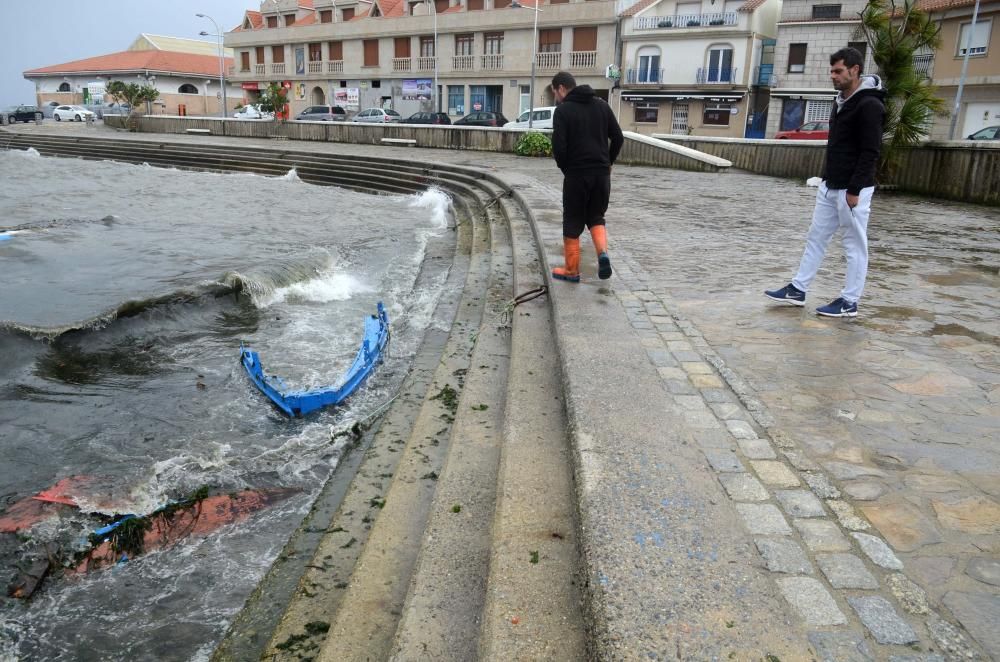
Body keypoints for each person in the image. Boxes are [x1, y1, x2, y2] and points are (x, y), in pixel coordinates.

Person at [765, 47, 886, 317]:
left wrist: (854, 190)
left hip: (853, 189)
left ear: (854, 70)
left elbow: (871, 151)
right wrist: (826, 179)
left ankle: (849, 302)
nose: (833, 76)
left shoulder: (870, 105)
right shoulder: (840, 100)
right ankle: (798, 289)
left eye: (838, 71)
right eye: (831, 71)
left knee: (854, 246)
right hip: (830, 183)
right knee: (816, 237)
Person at [549, 71, 624, 282]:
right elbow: (618, 137)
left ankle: (572, 271)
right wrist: (608, 163)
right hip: (601, 176)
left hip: (577, 175)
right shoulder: (601, 105)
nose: (555, 96)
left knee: (572, 219)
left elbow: (559, 148)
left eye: (555, 91)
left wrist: (567, 169)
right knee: (596, 216)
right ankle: (602, 253)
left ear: (561, 88)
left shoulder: (563, 111)